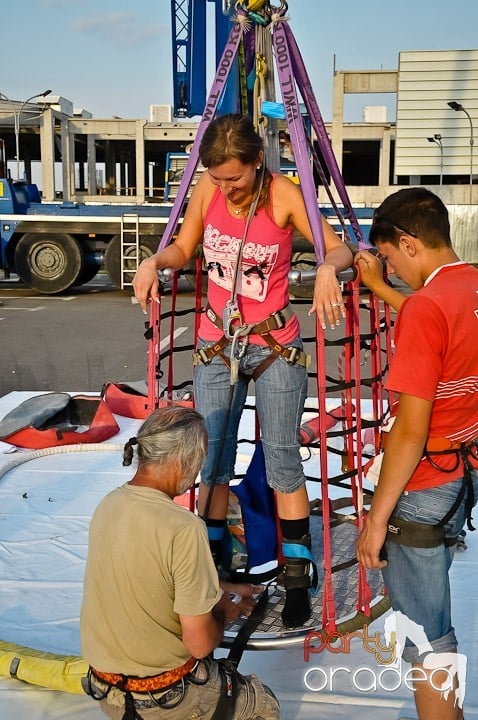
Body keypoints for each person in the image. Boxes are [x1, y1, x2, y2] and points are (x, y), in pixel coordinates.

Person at [132, 113, 353, 628]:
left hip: (275, 344)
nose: (226, 187)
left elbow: (338, 246)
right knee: (211, 458)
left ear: (257, 161)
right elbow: (184, 246)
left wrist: (325, 267)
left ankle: (298, 575)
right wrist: (153, 261)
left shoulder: (284, 195)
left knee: (281, 458)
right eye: (217, 177)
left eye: (235, 177)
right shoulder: (208, 193)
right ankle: (212, 562)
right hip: (216, 343)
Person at [354, 188, 478, 720]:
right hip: (467, 465)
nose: (390, 269)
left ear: (408, 242)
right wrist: (382, 288)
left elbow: (409, 431)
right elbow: (438, 327)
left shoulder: (427, 307)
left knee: (429, 635)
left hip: (428, 482)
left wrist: (376, 519)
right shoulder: (469, 286)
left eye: (388, 258)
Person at [80, 405, 280, 720]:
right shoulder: (183, 527)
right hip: (165, 699)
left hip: (109, 692)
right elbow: (199, 644)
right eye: (199, 461)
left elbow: (149, 572)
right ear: (183, 460)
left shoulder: (109, 504)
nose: (198, 470)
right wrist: (227, 609)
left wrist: (221, 585)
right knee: (264, 706)